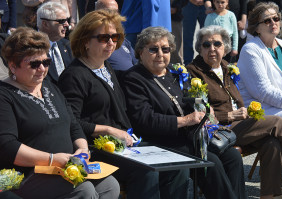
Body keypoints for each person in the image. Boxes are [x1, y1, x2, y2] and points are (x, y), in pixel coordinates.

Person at [58, 9, 186, 199]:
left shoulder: (106, 67)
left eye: (114, 36)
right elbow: (72, 123)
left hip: (125, 144)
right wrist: (108, 130)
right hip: (97, 149)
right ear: (85, 41)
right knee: (147, 172)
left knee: (177, 167)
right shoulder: (74, 75)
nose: (111, 42)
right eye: (103, 37)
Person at [121, 26, 246, 199]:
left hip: (188, 137)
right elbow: (144, 120)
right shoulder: (134, 79)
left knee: (232, 156)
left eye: (165, 49)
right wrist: (185, 120)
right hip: (161, 140)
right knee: (211, 162)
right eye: (153, 49)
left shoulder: (174, 72)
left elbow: (192, 99)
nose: (160, 54)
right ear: (140, 52)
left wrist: (204, 107)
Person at [0, 27, 119, 199]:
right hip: (22, 174)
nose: (42, 69)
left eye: (46, 62)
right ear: (13, 66)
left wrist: (82, 151)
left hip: (63, 168)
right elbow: (7, 146)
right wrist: (52, 159)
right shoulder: (4, 95)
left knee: (109, 185)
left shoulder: (50, 87)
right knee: (83, 190)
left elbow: (73, 125)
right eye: (34, 64)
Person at [187, 25, 282, 199]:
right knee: (277, 123)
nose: (212, 49)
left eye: (217, 44)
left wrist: (245, 111)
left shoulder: (227, 67)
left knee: (271, 142)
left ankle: (273, 195)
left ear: (225, 47)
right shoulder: (193, 72)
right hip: (218, 131)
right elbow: (199, 113)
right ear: (199, 49)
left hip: (239, 125)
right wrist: (230, 115)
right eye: (206, 45)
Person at [238, 2, 282, 136]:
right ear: (257, 28)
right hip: (271, 112)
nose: (273, 22)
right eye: (267, 21)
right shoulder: (250, 50)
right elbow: (264, 91)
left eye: (276, 18)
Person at [95, 0, 137, 77]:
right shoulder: (94, 39)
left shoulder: (123, 40)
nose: (114, 15)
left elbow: (137, 63)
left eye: (116, 12)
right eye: (109, 11)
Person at [37, 2, 73, 83]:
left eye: (67, 20)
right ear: (45, 24)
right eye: (61, 21)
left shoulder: (67, 45)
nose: (67, 24)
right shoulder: (32, 47)